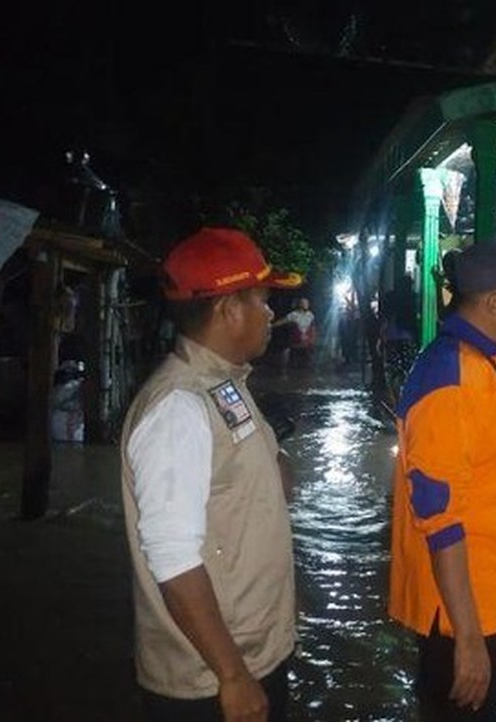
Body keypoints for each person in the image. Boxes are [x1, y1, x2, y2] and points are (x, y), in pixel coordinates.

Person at [120, 227, 302, 722]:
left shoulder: (222, 384)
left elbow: (257, 478)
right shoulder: (177, 408)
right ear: (228, 309)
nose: (272, 314)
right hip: (212, 677)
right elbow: (173, 557)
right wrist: (232, 676)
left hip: (253, 649)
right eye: (263, 300)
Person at [388, 237, 496, 721]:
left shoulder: (484, 360)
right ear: (495, 302)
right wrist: (468, 639)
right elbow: (440, 518)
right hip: (466, 610)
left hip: (492, 597)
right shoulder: (450, 378)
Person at [272, 297, 316, 368]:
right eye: (304, 303)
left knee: (307, 363)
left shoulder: (310, 315)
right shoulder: (293, 315)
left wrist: (312, 339)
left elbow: (313, 328)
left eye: (307, 303)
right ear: (300, 304)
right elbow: (283, 321)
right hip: (296, 341)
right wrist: (271, 326)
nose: (306, 305)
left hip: (307, 342)